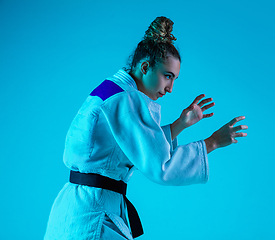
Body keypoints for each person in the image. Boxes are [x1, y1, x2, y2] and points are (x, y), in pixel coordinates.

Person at [44, 16, 248, 240]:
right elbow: (161, 166)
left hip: (77, 208)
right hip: (95, 215)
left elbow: (132, 145)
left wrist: (181, 124)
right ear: (145, 67)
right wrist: (213, 142)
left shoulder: (112, 89)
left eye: (175, 79)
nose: (170, 88)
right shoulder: (127, 100)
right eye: (167, 76)